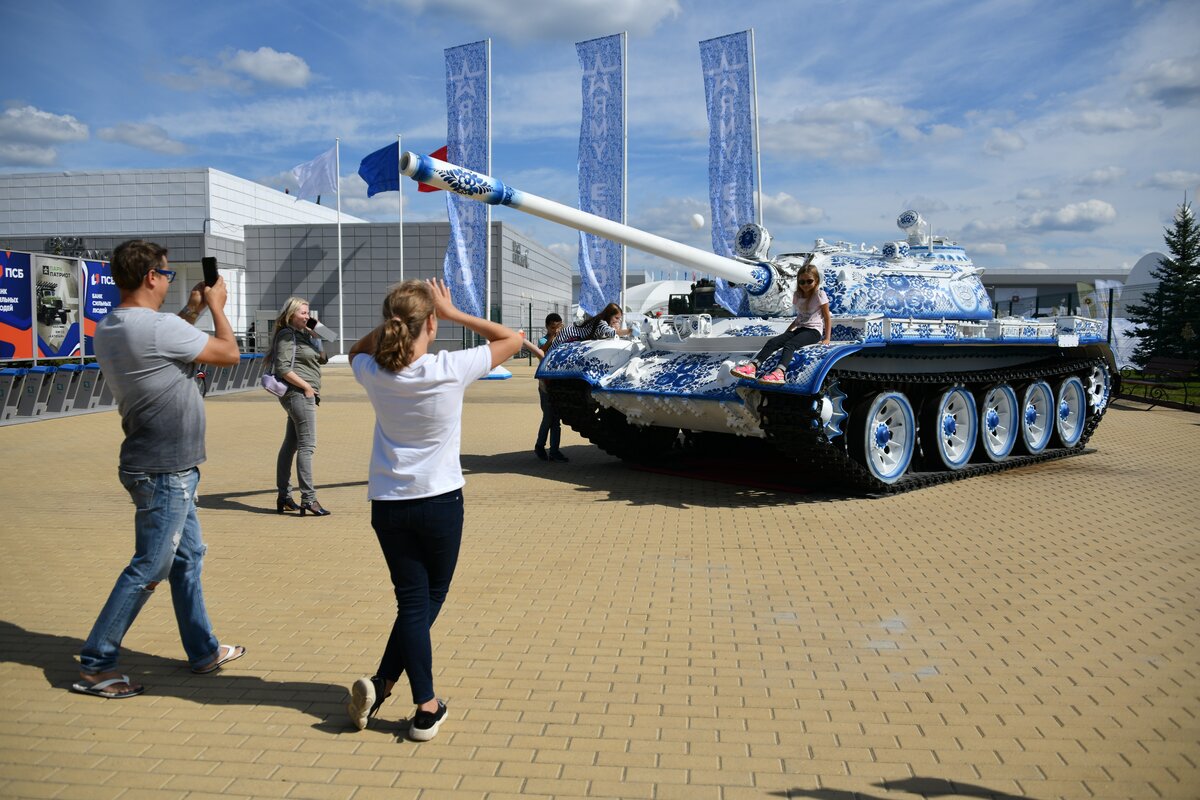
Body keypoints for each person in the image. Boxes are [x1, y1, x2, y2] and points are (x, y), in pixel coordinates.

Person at [345, 278, 525, 741]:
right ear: (432, 323)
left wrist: (394, 322)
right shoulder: (450, 367)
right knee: (429, 599)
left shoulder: (374, 372)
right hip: (440, 502)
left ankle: (382, 682)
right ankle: (426, 708)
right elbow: (512, 338)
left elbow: (353, 350)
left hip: (387, 504)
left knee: (411, 599)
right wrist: (455, 312)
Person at [74, 240, 245, 699]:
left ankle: (203, 650)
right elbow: (229, 353)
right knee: (150, 565)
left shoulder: (112, 325)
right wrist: (216, 306)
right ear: (151, 276)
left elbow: (162, 349)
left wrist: (190, 313)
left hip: (162, 463)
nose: (170, 282)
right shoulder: (159, 327)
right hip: (165, 468)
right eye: (167, 275)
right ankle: (96, 663)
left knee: (188, 558)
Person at [730, 257, 831, 385]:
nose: (805, 285)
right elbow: (799, 317)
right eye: (802, 282)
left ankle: (779, 373)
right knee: (773, 342)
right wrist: (787, 332)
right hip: (800, 328)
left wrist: (827, 338)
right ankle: (753, 367)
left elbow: (827, 317)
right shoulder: (798, 296)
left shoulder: (820, 295)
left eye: (809, 281)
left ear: (816, 281)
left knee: (790, 345)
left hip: (813, 332)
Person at [272, 297, 330, 516]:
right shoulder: (287, 335)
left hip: (301, 394)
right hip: (298, 394)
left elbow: (322, 359)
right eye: (303, 313)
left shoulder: (304, 336)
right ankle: (309, 499)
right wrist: (307, 388)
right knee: (308, 446)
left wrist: (317, 335)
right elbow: (283, 368)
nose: (307, 317)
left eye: (308, 313)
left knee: (290, 444)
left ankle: (284, 497)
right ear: (291, 314)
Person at [532, 313, 567, 462]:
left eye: (558, 327)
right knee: (548, 417)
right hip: (545, 384)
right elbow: (542, 353)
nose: (555, 330)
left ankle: (554, 451)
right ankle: (540, 446)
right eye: (553, 327)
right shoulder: (544, 340)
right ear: (547, 327)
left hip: (558, 383)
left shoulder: (563, 339)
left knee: (556, 420)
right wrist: (553, 337)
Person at [554, 302, 631, 343]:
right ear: (609, 315)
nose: (618, 321)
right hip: (568, 334)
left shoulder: (602, 322)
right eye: (616, 318)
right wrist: (630, 331)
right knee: (551, 352)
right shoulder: (601, 323)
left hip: (571, 333)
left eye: (619, 319)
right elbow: (612, 333)